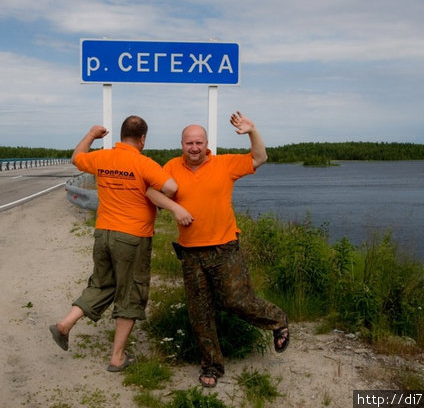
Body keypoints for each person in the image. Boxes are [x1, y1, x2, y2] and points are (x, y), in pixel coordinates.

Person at [49, 115, 193, 373]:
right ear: (143, 139)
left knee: (102, 283)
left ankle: (64, 325)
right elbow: (171, 186)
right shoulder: (143, 163)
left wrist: (92, 134)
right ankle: (117, 357)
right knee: (131, 292)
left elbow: (77, 158)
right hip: (132, 236)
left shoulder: (103, 158)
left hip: (103, 233)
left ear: (121, 134)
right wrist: (151, 196)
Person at [157, 111, 289, 388]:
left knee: (236, 300)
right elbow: (150, 191)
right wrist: (174, 206)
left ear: (207, 145)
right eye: (188, 143)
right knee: (200, 312)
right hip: (190, 251)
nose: (194, 148)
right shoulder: (171, 167)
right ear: (182, 145)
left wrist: (252, 131)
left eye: (198, 143)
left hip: (224, 248)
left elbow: (260, 158)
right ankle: (212, 366)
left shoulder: (225, 164)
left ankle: (277, 320)